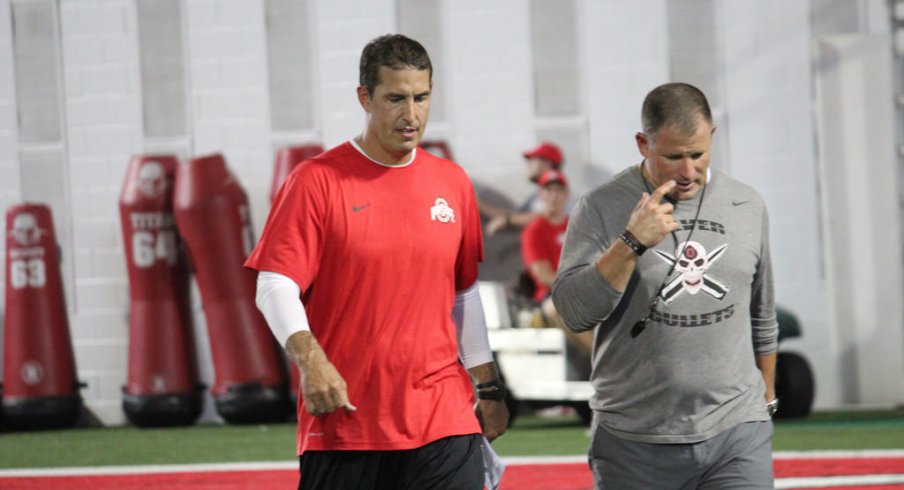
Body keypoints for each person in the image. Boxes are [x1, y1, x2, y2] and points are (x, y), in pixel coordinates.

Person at [245, 34, 508, 489]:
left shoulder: (452, 182)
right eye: (396, 99)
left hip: (443, 416)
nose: (411, 115)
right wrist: (312, 362)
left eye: (422, 97)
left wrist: (487, 385)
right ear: (365, 98)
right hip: (347, 422)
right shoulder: (316, 181)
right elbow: (274, 284)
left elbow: (462, 292)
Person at [551, 82, 778, 489]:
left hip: (737, 430)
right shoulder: (601, 207)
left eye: (698, 154)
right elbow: (574, 311)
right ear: (643, 143)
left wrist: (768, 397)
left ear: (712, 136)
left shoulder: (748, 204)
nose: (688, 171)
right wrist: (631, 242)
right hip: (634, 441)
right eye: (673, 157)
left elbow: (762, 312)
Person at [520, 169, 593, 357]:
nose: (554, 196)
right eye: (548, 190)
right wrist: (574, 292)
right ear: (541, 195)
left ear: (566, 194)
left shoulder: (576, 225)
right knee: (556, 309)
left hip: (580, 289)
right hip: (551, 295)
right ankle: (605, 361)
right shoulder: (534, 230)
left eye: (559, 190)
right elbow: (542, 274)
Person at [483, 142, 566, 235]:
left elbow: (552, 214)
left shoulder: (564, 193)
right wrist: (479, 205)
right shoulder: (535, 196)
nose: (528, 165)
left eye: (533, 160)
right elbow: (513, 215)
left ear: (547, 163)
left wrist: (508, 220)